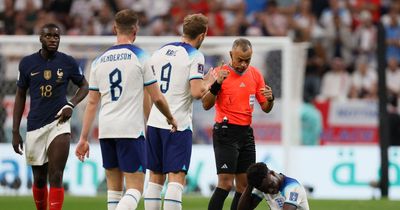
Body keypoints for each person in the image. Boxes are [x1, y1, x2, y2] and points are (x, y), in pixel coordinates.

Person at [74, 9, 177, 210]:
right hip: (130, 129)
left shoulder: (98, 61)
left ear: (114, 29)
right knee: (135, 189)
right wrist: (170, 117)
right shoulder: (140, 57)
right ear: (136, 30)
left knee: (114, 190)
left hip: (106, 130)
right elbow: (156, 97)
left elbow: (92, 102)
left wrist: (84, 138)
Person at [12, 23, 89, 210]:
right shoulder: (27, 63)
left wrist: (71, 104)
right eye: (49, 36)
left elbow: (85, 86)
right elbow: (20, 95)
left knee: (56, 175)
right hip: (35, 125)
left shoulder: (68, 62)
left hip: (59, 124)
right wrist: (15, 131)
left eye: (56, 36)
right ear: (41, 38)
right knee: (39, 178)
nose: (53, 39)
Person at [143, 13, 209, 210]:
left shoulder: (161, 51)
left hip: (154, 122)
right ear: (202, 35)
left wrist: (150, 117)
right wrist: (210, 82)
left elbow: (148, 88)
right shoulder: (195, 55)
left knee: (155, 177)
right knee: (176, 177)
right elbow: (197, 92)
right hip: (177, 125)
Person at [202, 38, 274, 210]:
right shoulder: (219, 73)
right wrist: (217, 84)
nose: (243, 64)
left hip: (246, 134)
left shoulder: (255, 74)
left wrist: (271, 99)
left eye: (247, 60)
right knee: (225, 184)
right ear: (230, 55)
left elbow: (266, 107)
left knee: (244, 186)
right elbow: (206, 104)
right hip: (225, 132)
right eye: (239, 59)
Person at [238, 162, 310, 210]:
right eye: (265, 191)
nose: (270, 190)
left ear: (272, 173)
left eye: (271, 185)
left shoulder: (293, 188)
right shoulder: (263, 185)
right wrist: (250, 185)